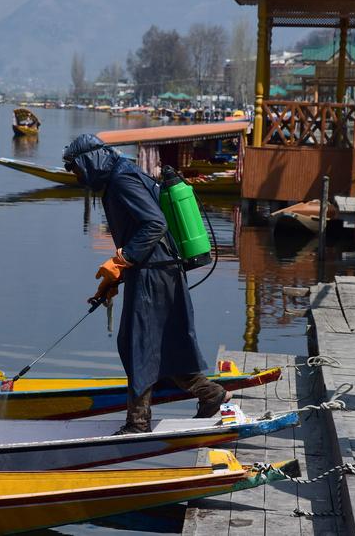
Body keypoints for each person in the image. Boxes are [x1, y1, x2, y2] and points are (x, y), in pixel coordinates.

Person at [63, 134, 232, 434]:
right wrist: (115, 279)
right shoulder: (119, 177)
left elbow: (155, 224)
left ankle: (138, 423)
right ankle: (210, 394)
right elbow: (139, 232)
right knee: (158, 342)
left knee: (138, 344)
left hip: (155, 275)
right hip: (153, 271)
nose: (77, 176)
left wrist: (123, 259)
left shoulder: (122, 180)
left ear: (90, 160)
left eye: (76, 168)